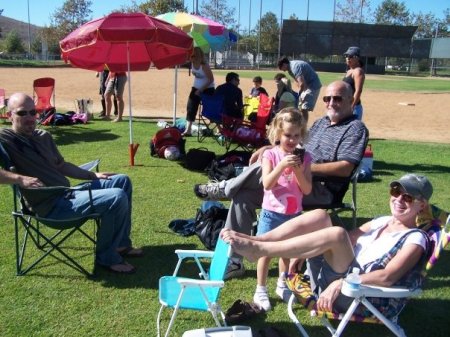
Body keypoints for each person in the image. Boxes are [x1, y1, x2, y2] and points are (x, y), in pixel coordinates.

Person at [194, 81, 368, 278]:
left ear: (351, 100)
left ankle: (225, 188)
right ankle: (234, 261)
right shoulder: (321, 123)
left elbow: (345, 168)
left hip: (318, 187)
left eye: (337, 98)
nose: (330, 103)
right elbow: (295, 143)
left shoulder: (355, 128)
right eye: (327, 98)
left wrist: (301, 168)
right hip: (288, 182)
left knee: (264, 168)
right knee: (244, 195)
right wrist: (271, 149)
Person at [221, 173, 432, 316]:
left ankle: (259, 251)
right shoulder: (381, 221)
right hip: (330, 278)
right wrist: (303, 251)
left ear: (421, 205)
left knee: (337, 233)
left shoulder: (415, 239)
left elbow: (387, 277)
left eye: (408, 197)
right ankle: (258, 240)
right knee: (322, 216)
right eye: (396, 191)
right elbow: (347, 241)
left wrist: (343, 283)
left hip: (357, 295)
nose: (398, 199)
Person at [0, 93, 142, 274]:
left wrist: (92, 175)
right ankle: (107, 258)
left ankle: (121, 245)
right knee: (116, 197)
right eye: (22, 113)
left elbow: (61, 165)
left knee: (122, 181)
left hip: (69, 194)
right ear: (9, 115)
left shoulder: (43, 136)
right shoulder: (5, 138)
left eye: (32, 112)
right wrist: (19, 179)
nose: (29, 118)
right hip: (51, 207)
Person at [253, 107, 312, 311]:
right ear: (278, 133)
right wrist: (281, 166)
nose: (292, 140)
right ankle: (260, 289)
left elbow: (306, 189)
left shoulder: (305, 158)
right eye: (288, 135)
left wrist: (297, 169)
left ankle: (282, 284)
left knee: (286, 253)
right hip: (271, 213)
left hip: (293, 214)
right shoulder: (270, 154)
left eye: (296, 135)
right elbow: (267, 184)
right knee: (265, 253)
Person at [183, 47, 215, 137]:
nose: (190, 57)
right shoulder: (192, 64)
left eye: (192, 56)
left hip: (208, 89)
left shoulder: (204, 65)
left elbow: (211, 79)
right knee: (191, 107)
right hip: (196, 88)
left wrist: (201, 90)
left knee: (210, 110)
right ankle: (188, 130)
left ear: (197, 56)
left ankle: (219, 129)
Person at [277, 56, 322, 122]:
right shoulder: (290, 70)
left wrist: (299, 94)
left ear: (284, 64)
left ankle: (303, 127)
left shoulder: (295, 67)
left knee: (304, 108)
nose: (282, 70)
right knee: (300, 106)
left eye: (281, 68)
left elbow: (302, 84)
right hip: (307, 85)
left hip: (313, 85)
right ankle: (301, 124)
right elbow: (298, 82)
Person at [343, 46, 365, 120]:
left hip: (353, 108)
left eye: (351, 56)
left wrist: (352, 106)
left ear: (357, 58)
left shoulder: (358, 71)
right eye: (346, 56)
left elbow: (358, 91)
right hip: (345, 106)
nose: (348, 58)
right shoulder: (349, 71)